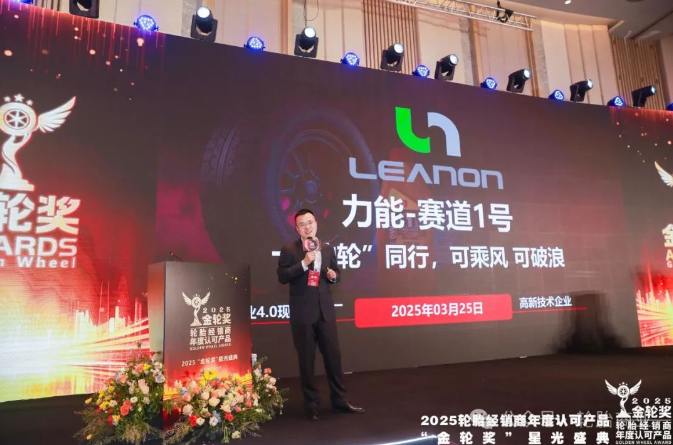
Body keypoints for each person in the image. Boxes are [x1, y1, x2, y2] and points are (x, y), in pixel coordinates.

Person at [277, 209, 364, 421]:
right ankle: (312, 404)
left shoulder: (327, 248)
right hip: (303, 314)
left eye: (310, 222)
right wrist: (304, 262)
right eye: (302, 224)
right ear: (297, 228)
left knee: (334, 358)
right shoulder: (289, 250)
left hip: (325, 312)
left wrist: (334, 276)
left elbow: (336, 273)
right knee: (307, 361)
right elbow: (283, 276)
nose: (307, 227)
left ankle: (339, 400)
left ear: (316, 223)